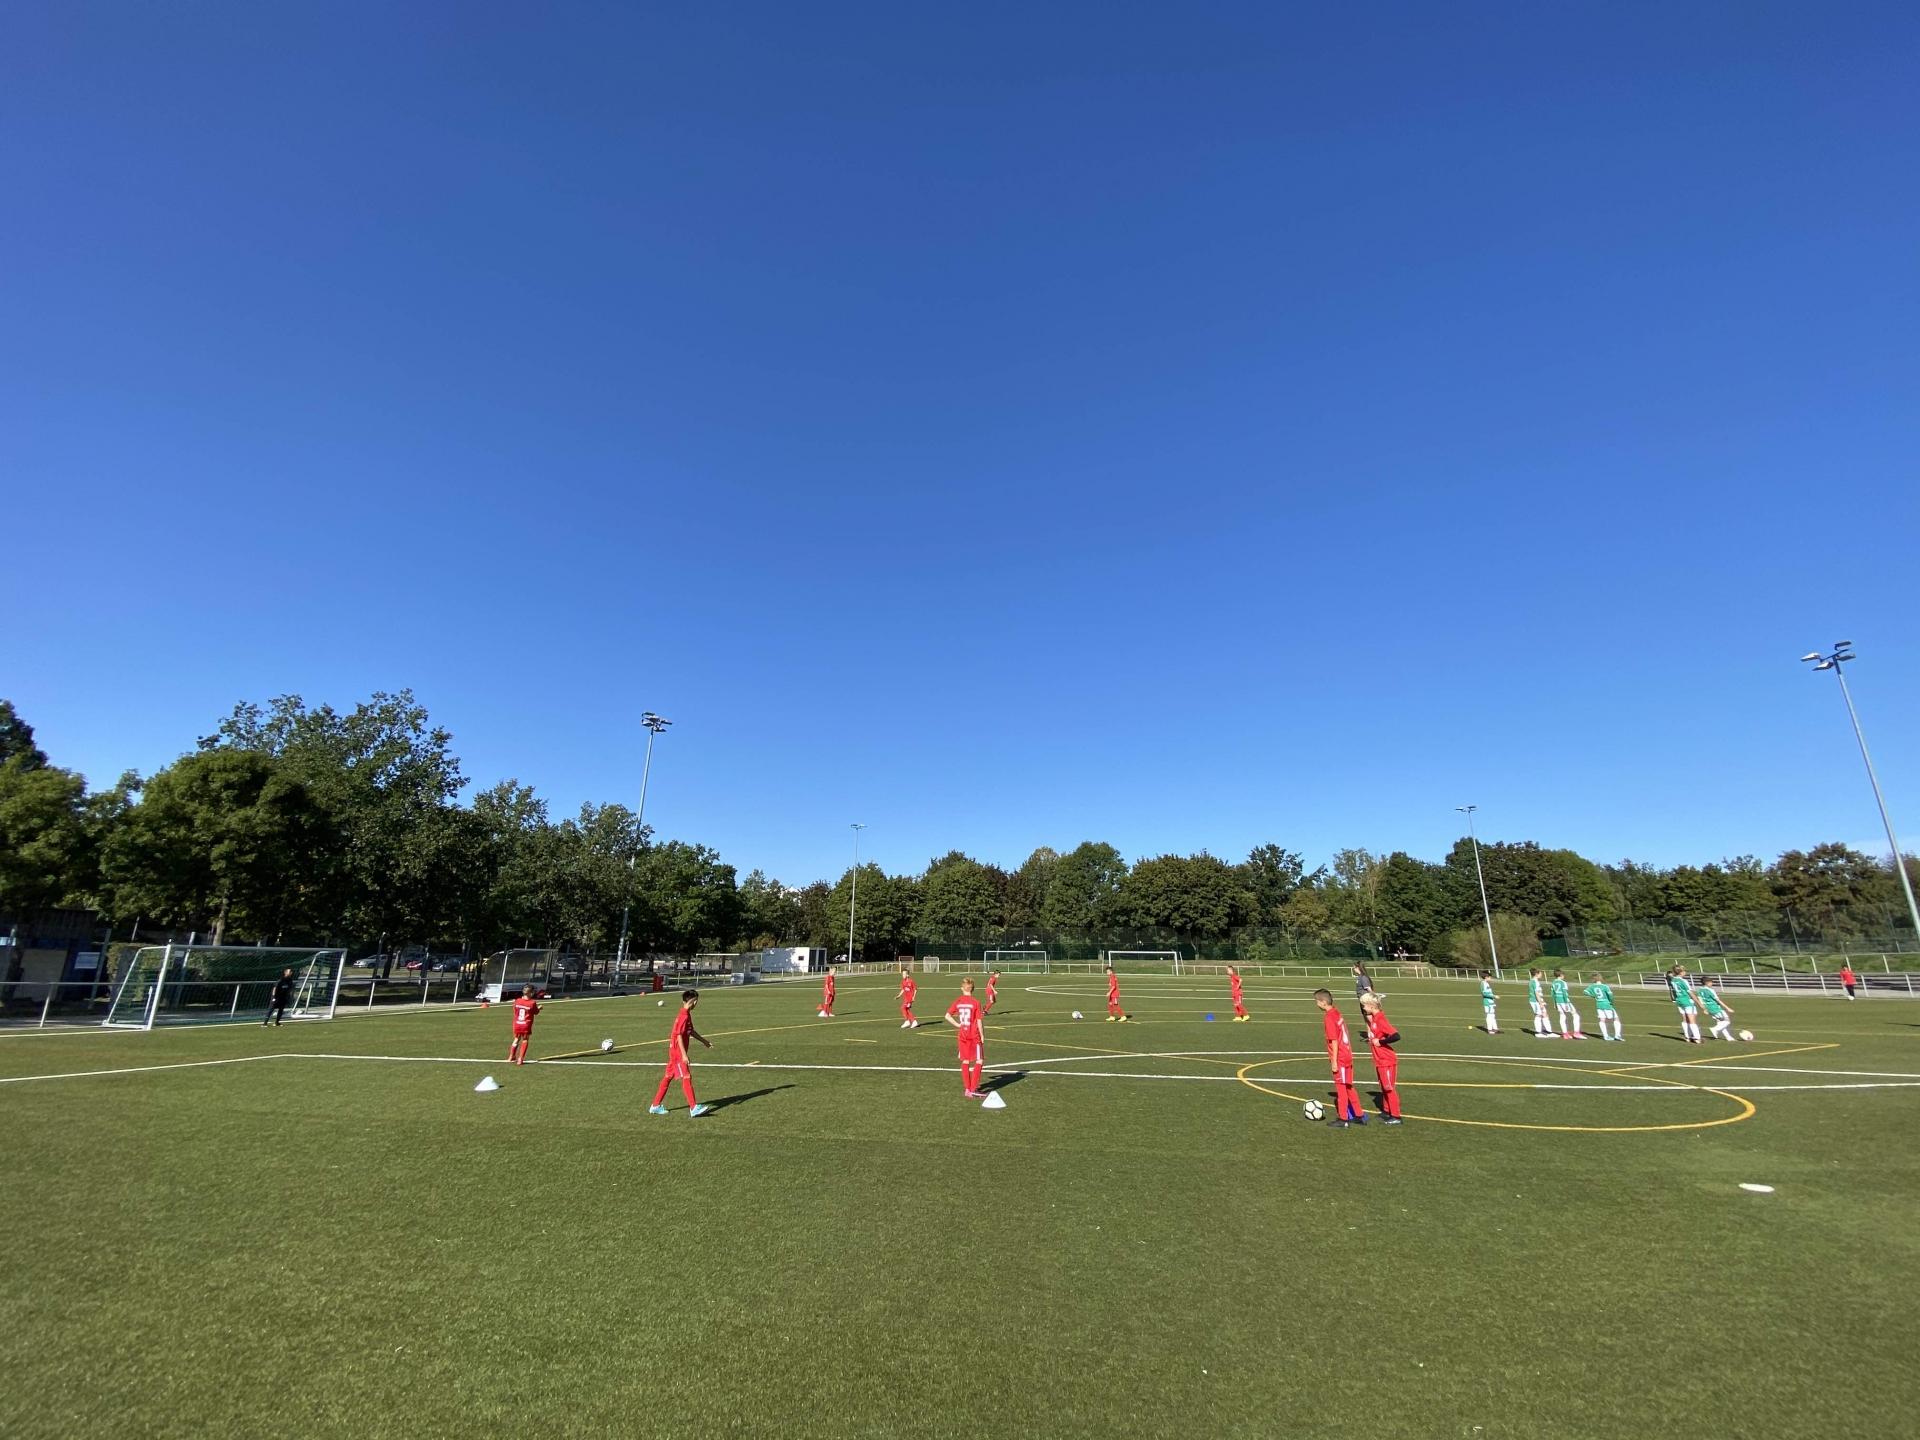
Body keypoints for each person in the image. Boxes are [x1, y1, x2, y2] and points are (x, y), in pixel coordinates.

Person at [650, 990, 711, 1116]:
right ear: (694, 1002)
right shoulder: (684, 1016)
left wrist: (704, 1041)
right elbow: (678, 1036)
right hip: (677, 1053)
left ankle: (655, 1105)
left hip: (675, 1051)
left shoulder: (686, 1014)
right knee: (686, 1076)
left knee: (668, 1077)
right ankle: (693, 1107)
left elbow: (690, 1031)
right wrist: (683, 1055)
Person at [1314, 989, 1366, 1125]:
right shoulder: (1336, 1012)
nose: (1316, 1004)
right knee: (1348, 1086)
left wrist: (1334, 1061)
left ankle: (1343, 1119)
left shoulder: (1329, 1018)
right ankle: (1359, 1115)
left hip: (1340, 1057)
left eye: (1317, 1002)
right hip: (1347, 1054)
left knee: (1341, 1087)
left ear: (1323, 1002)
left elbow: (1334, 1040)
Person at [1357, 992, 1403, 1123]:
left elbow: (1396, 1036)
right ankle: (1386, 1111)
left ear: (1371, 1005)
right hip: (1379, 1060)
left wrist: (1381, 1042)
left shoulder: (1381, 1020)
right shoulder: (1375, 1018)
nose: (1363, 1008)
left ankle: (1396, 1116)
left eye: (1364, 1005)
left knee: (1389, 1088)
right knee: (1383, 1086)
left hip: (1386, 1060)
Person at [945, 976, 988, 1098]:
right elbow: (979, 1021)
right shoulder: (976, 1003)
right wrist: (982, 1035)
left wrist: (958, 1025)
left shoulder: (958, 1001)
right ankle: (973, 1088)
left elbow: (947, 1016)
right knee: (979, 1060)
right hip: (973, 1035)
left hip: (962, 1035)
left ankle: (967, 1089)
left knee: (965, 1060)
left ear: (962, 988)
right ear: (973, 989)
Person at [508, 984, 540, 1065]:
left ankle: (511, 1056)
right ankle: (520, 1058)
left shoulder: (517, 1001)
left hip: (517, 1023)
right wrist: (539, 1008)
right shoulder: (532, 1003)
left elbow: (515, 1010)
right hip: (526, 1025)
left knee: (516, 1039)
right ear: (531, 993)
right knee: (525, 1039)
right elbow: (536, 1012)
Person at [1670, 966, 1703, 1044]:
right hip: (1687, 1001)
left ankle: (1688, 1037)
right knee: (1692, 1020)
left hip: (1679, 1001)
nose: (1685, 972)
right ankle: (1697, 1038)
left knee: (1685, 1019)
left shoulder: (1673, 980)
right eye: (1684, 971)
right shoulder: (1683, 981)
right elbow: (1690, 992)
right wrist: (1699, 1003)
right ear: (1681, 972)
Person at [1550, 969, 1586, 1040]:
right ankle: (1576, 1033)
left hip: (1558, 1001)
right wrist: (1566, 1003)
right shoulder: (1563, 983)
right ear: (1561, 975)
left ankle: (1565, 1034)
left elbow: (1552, 993)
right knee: (1575, 1015)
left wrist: (1554, 1003)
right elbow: (1564, 993)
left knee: (1562, 1015)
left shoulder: (1553, 982)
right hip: (1564, 1001)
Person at [1584, 975, 1622, 1041]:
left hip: (1599, 1003)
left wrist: (1593, 996)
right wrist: (1611, 1002)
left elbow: (1585, 992)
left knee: (1602, 1019)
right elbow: (1610, 995)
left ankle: (1605, 1036)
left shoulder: (1591, 986)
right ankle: (1617, 1035)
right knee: (1616, 1018)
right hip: (1606, 1004)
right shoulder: (1605, 986)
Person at [1527, 968, 1555, 1038]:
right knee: (1538, 1015)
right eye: (1540, 973)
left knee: (1545, 1014)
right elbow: (1536, 993)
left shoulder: (1534, 981)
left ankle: (1549, 1032)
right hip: (1535, 1001)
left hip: (1538, 1001)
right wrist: (1540, 1003)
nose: (1541, 975)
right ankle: (1538, 1032)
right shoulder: (1534, 982)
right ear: (1536, 974)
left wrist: (1542, 1001)